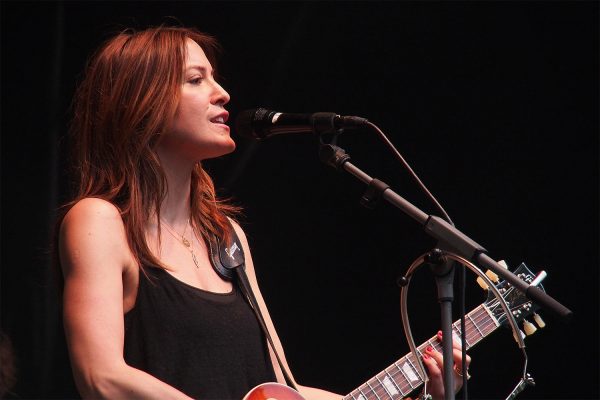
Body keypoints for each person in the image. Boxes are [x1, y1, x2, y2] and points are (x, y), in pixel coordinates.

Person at [57, 25, 471, 399]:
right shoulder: (100, 221)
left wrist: (424, 391)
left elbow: (284, 388)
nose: (222, 93)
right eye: (196, 80)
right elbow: (101, 376)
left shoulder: (226, 237)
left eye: (214, 78)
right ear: (140, 104)